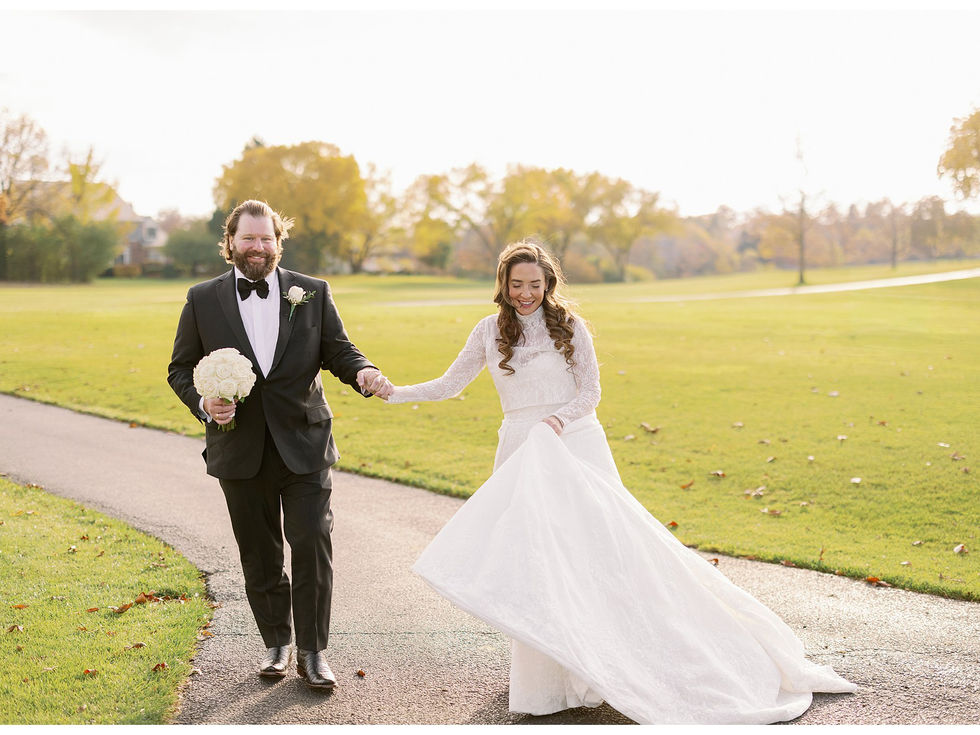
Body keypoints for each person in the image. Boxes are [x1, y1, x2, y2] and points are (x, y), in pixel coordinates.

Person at [385, 240, 857, 724]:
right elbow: (449, 385)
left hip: (574, 442)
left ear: (549, 285)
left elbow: (590, 391)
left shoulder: (570, 326)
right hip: (521, 451)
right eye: (516, 284)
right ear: (503, 286)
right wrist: (394, 392)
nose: (525, 293)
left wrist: (556, 422)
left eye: (535, 284)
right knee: (539, 559)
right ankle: (549, 682)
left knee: (601, 552)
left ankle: (621, 660)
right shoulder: (489, 331)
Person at [168, 199, 392, 691]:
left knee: (312, 542)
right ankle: (277, 642)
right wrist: (205, 403)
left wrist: (364, 372)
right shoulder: (202, 298)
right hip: (239, 448)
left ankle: (313, 653)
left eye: (266, 238)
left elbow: (338, 349)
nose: (257, 247)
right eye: (248, 238)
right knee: (259, 553)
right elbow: (180, 368)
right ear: (230, 243)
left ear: (277, 242)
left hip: (304, 443)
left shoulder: (311, 292)